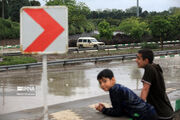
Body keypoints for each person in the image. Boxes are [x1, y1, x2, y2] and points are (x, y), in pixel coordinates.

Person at [136, 49, 174, 120]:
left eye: (138, 58)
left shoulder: (149, 68)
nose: (136, 60)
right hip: (166, 111)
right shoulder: (155, 67)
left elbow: (145, 89)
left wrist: (139, 108)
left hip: (160, 114)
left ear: (146, 60)